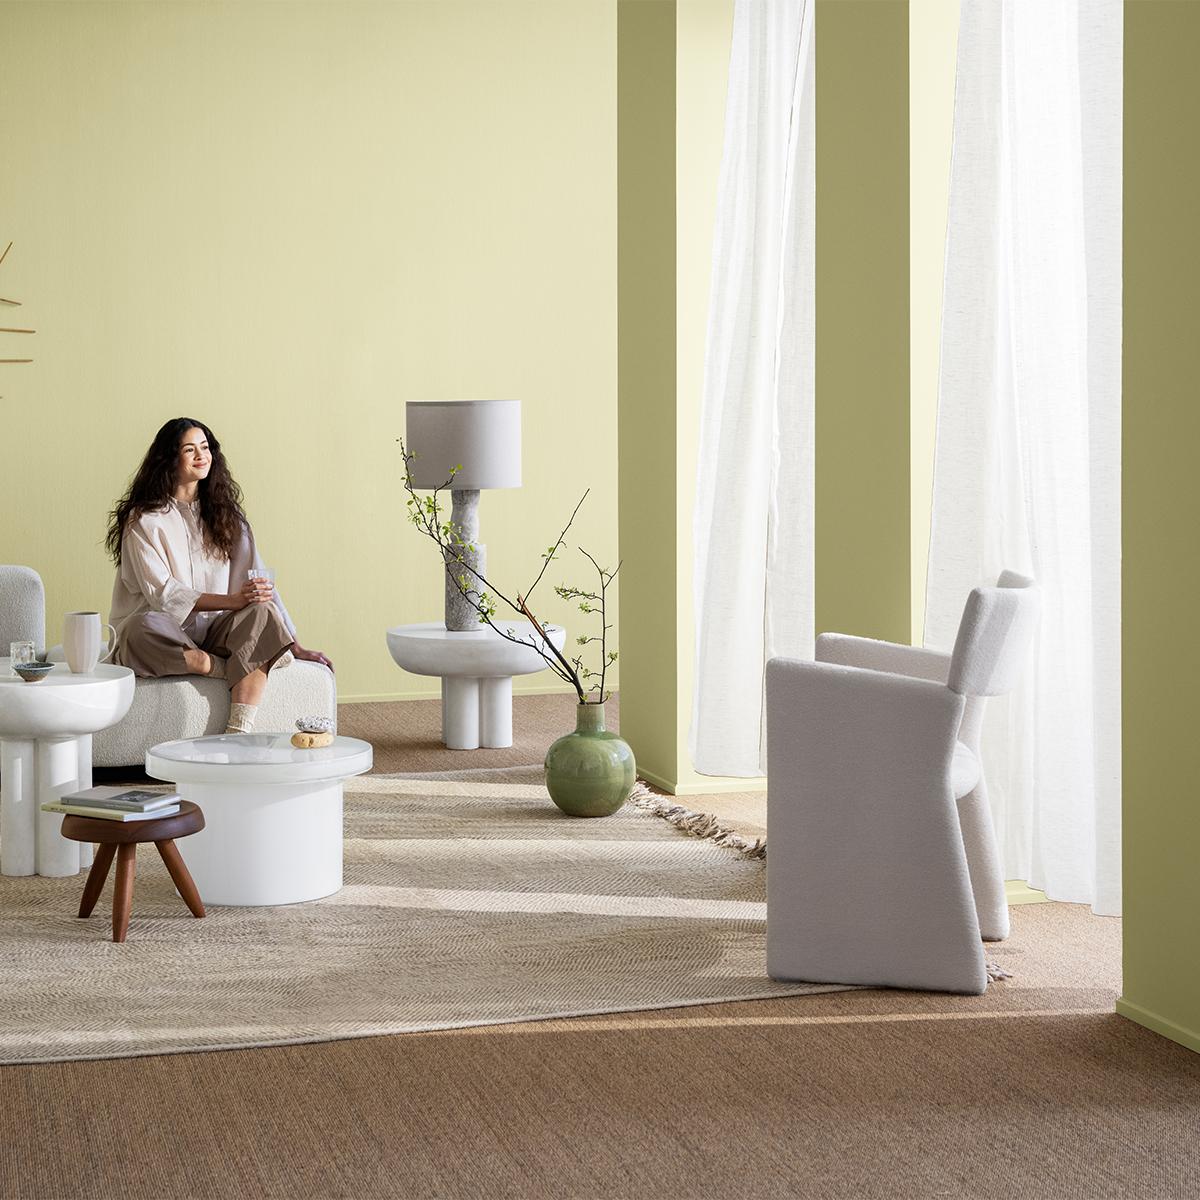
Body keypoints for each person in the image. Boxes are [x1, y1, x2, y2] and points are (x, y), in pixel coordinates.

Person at [106, 417, 332, 735]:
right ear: (169, 459)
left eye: (205, 447)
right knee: (136, 628)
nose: (202, 455)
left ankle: (238, 733)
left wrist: (294, 645)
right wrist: (232, 600)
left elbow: (260, 588)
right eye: (190, 449)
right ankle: (213, 665)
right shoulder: (143, 520)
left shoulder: (227, 516)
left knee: (261, 609)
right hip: (165, 634)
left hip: (218, 632)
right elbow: (164, 594)